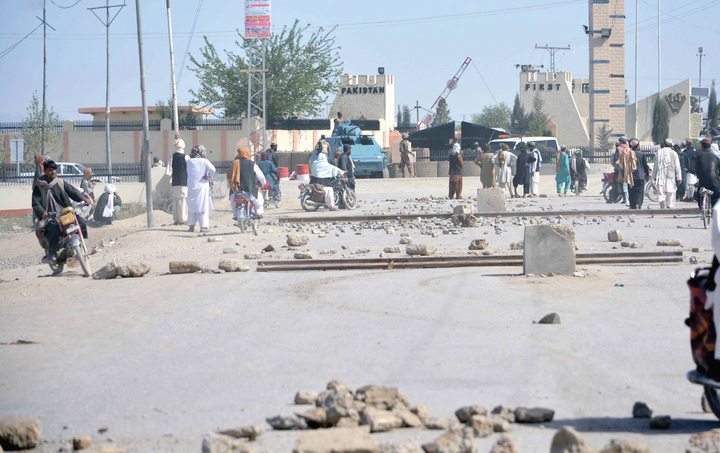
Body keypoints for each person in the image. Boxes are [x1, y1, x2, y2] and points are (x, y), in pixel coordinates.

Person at [32, 159, 92, 263]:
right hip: (50, 216)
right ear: (45, 171)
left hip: (65, 212)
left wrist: (83, 199)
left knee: (80, 220)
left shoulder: (60, 182)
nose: (53, 172)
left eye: (55, 169)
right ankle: (51, 254)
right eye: (50, 170)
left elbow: (72, 192)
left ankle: (79, 242)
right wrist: (43, 213)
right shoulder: (39, 186)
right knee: (54, 229)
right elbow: (35, 202)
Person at [229, 147, 269, 219]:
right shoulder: (252, 164)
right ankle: (258, 212)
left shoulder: (234, 163)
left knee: (233, 202)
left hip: (236, 190)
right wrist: (263, 182)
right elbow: (261, 176)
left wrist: (230, 186)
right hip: (250, 189)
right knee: (259, 201)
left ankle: (235, 215)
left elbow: (229, 176)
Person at [186, 145, 216, 233]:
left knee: (191, 206)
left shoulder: (189, 161)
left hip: (191, 186)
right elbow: (213, 169)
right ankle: (204, 226)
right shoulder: (204, 161)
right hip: (202, 185)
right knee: (203, 206)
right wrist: (208, 176)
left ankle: (191, 226)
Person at [652, 138, 682, 209]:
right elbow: (677, 166)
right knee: (670, 191)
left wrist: (654, 175)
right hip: (670, 176)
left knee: (661, 192)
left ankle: (662, 204)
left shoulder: (658, 152)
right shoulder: (674, 153)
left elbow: (655, 165)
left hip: (660, 176)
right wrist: (679, 178)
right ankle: (669, 205)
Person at [166, 138, 189, 225]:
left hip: (175, 182)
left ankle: (176, 218)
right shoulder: (186, 157)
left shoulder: (172, 156)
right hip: (184, 182)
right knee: (183, 201)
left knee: (176, 200)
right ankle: (183, 219)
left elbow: (168, 172)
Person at [695, 137, 720, 210]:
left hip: (703, 181)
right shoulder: (715, 157)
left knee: (700, 194)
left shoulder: (699, 157)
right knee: (716, 196)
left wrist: (699, 177)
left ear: (702, 146)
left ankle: (702, 209)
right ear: (710, 146)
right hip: (714, 182)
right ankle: (714, 210)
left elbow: (697, 169)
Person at [627, 139, 650, 209]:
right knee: (639, 191)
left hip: (630, 176)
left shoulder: (628, 154)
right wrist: (647, 174)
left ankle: (632, 205)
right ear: (637, 146)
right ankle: (638, 204)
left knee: (631, 191)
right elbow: (645, 165)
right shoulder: (641, 154)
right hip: (640, 176)